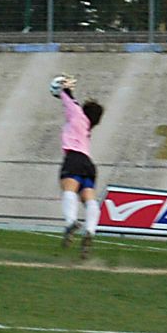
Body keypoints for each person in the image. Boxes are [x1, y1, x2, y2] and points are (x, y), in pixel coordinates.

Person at [50, 74, 104, 259]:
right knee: (89, 199)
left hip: (73, 157)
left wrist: (66, 86)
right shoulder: (88, 126)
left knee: (69, 189)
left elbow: (66, 95)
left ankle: (71, 222)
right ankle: (90, 231)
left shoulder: (77, 114)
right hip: (88, 163)